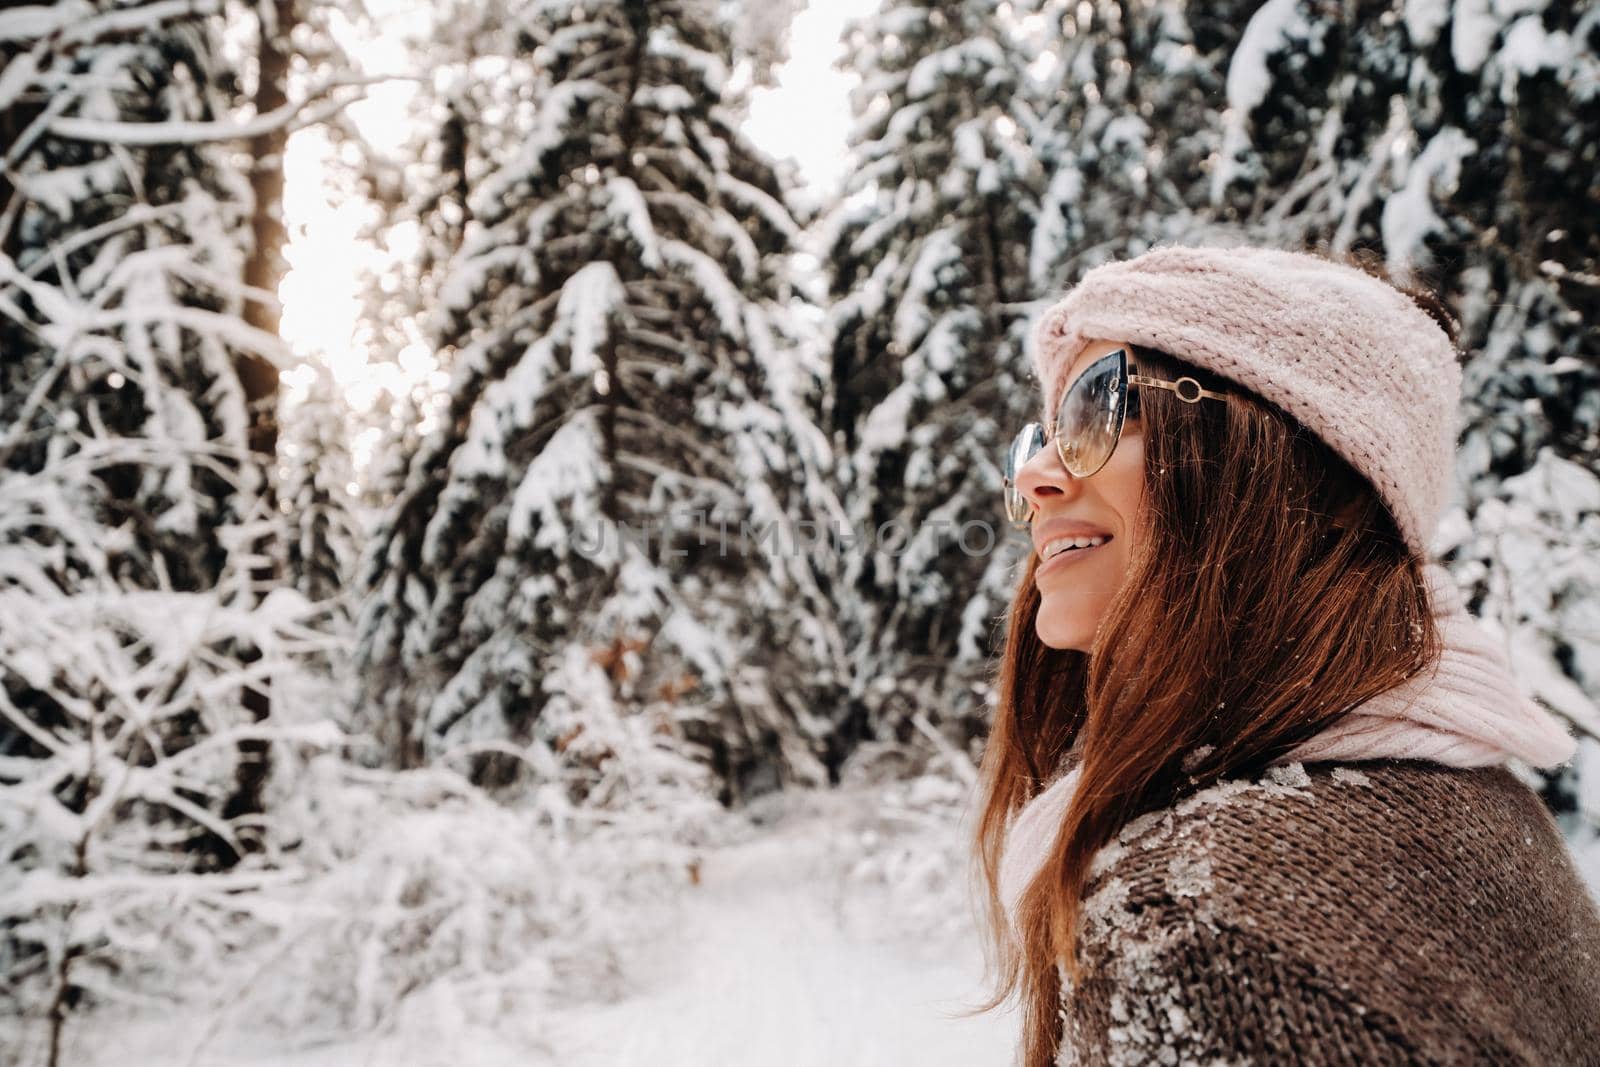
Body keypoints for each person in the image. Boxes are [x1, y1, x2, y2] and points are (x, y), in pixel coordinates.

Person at [964, 243, 1600, 1066]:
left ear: (1311, 477)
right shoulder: (1474, 797)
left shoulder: (1204, 933)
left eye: (1098, 406)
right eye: (1041, 438)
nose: (1039, 477)